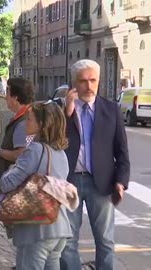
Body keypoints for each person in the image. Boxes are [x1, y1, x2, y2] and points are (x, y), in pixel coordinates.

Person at [60, 59, 130, 270]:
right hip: (69, 181)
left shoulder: (111, 110)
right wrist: (67, 112)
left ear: (98, 81)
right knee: (67, 241)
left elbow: (122, 151)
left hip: (101, 182)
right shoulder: (61, 111)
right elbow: (54, 143)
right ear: (74, 83)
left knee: (105, 241)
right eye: (83, 81)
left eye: (93, 80)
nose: (89, 86)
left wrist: (121, 181)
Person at [0, 101, 72, 270]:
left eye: (29, 119)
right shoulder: (60, 153)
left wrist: (10, 170)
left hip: (37, 228)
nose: (26, 123)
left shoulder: (35, 150)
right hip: (58, 225)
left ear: (41, 124)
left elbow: (6, 184)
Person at [0, 78, 34, 192]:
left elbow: (21, 154)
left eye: (7, 93)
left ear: (16, 97)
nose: (5, 97)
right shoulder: (26, 117)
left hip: (14, 186)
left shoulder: (23, 122)